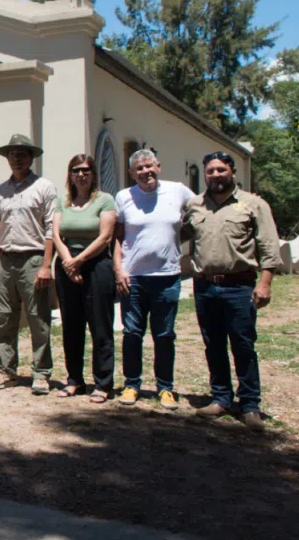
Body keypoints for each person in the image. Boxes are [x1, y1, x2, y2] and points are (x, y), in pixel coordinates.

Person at [183, 152, 281, 432]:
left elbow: (268, 247)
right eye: (211, 171)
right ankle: (221, 398)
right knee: (213, 344)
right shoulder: (195, 205)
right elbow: (179, 234)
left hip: (239, 285)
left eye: (221, 170)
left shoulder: (253, 205)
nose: (216, 175)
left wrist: (265, 283)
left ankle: (250, 404)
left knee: (243, 344)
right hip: (204, 285)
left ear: (233, 171)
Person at [113, 149, 194, 409]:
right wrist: (119, 270)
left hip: (167, 277)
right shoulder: (124, 196)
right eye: (139, 168)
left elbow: (202, 211)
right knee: (132, 333)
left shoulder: (178, 191)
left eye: (149, 166)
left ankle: (165, 388)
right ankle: (132, 385)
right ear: (131, 173)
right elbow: (117, 237)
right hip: (133, 278)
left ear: (158, 166)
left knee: (164, 334)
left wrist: (177, 240)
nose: (145, 172)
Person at [0, 134, 57, 395]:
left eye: (22, 153)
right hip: (6, 259)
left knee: (38, 318)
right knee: (4, 318)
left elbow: (51, 228)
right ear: (7, 158)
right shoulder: (0, 190)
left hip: (34, 259)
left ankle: (41, 372)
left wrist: (47, 265)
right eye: (12, 154)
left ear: (31, 157)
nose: (17, 158)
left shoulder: (44, 187)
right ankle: (7, 370)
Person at [52, 155, 117, 403]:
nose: (81, 175)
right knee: (71, 326)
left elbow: (105, 237)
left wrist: (79, 261)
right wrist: (69, 261)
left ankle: (103, 383)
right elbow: (56, 234)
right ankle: (74, 380)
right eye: (76, 170)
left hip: (97, 265)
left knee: (100, 325)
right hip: (67, 264)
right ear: (70, 174)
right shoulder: (62, 201)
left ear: (93, 174)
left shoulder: (104, 200)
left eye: (86, 170)